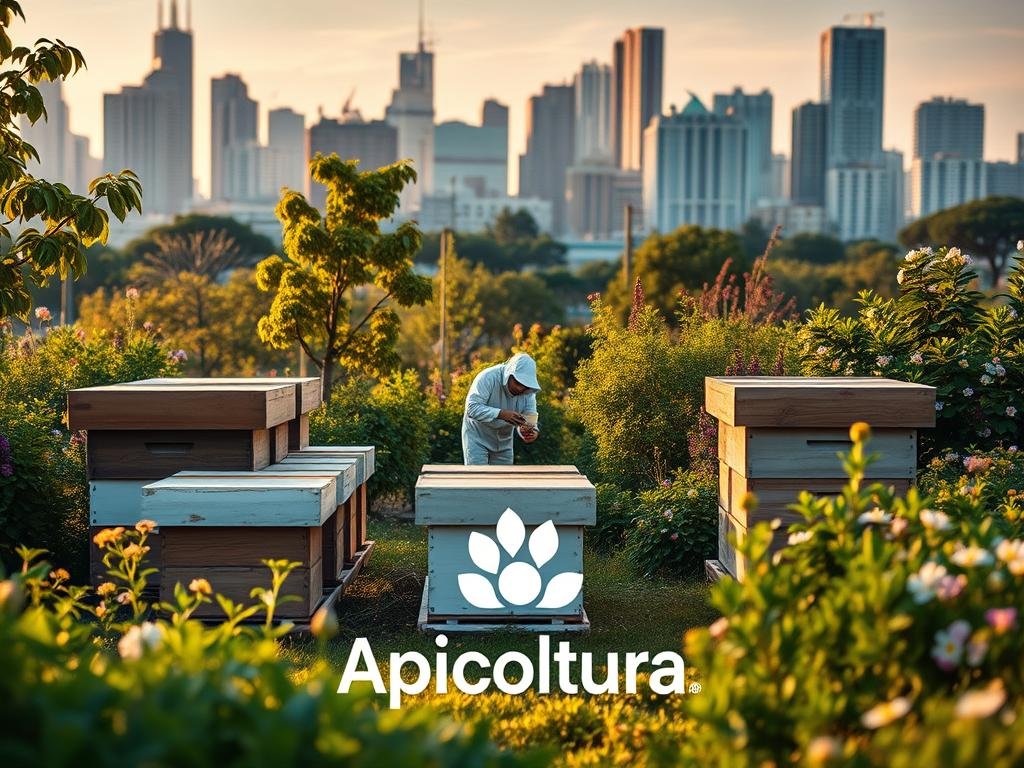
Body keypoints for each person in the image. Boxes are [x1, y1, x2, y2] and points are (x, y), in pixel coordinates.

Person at [462, 352, 541, 465]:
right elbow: (472, 408)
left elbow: (529, 418)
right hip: (477, 438)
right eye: (518, 382)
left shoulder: (529, 392)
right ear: (509, 374)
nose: (520, 388)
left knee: (503, 480)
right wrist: (501, 414)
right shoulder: (488, 377)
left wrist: (530, 432)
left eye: (525, 385)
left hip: (504, 442)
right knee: (477, 479)